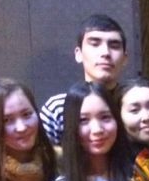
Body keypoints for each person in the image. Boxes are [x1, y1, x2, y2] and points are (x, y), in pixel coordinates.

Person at [40, 14, 129, 146]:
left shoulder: (137, 105)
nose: (105, 52)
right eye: (95, 44)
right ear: (79, 54)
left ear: (125, 58)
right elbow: (43, 156)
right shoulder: (57, 108)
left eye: (114, 46)